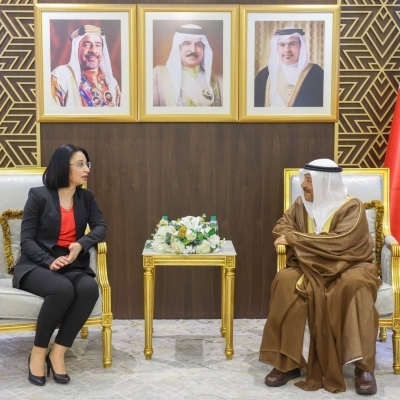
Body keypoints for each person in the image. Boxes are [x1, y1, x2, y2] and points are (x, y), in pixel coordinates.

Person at [260, 159, 381, 395]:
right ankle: (288, 362)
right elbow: (282, 227)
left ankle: (363, 367)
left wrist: (295, 239)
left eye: (309, 180)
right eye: (304, 179)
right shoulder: (301, 204)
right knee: (285, 281)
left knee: (356, 285)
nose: (304, 185)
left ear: (325, 184)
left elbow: (341, 241)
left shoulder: (352, 207)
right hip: (309, 266)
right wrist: (291, 237)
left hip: (349, 265)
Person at [12, 144, 106, 386]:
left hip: (71, 265)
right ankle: (38, 353)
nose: (86, 169)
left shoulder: (86, 197)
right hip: (35, 266)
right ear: (64, 167)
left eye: (87, 164)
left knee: (89, 288)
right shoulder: (38, 196)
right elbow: (26, 240)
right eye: (80, 164)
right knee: (62, 289)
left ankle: (58, 352)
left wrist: (81, 244)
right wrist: (48, 260)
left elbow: (100, 228)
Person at [51, 25, 121, 107]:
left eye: (98, 45)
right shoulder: (61, 76)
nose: (93, 50)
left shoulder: (112, 83)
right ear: (76, 48)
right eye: (87, 45)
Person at [153, 24, 223, 107]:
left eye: (198, 44)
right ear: (178, 47)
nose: (193, 50)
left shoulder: (218, 81)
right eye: (186, 43)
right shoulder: (157, 76)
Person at [254, 27, 324, 107]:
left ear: (301, 46)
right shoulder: (265, 74)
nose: (287, 50)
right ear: (276, 48)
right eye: (282, 45)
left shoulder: (316, 74)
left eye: (292, 44)